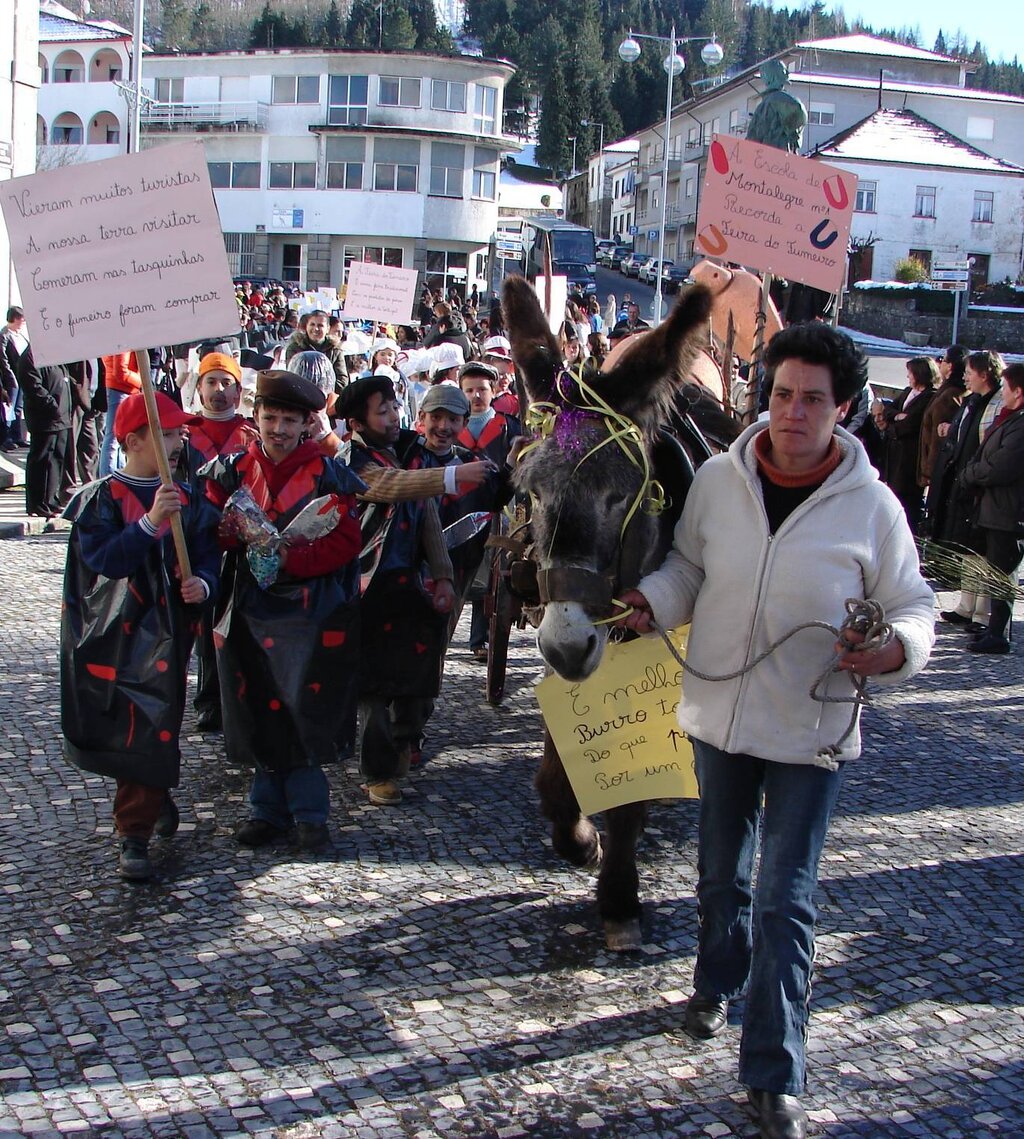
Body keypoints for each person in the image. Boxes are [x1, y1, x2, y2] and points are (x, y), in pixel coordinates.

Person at [619, 322, 935, 1139]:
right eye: (783, 393)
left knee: (784, 901)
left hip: (812, 728)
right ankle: (715, 980)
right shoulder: (721, 481)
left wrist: (893, 648)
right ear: (767, 395)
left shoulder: (873, 507)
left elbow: (914, 608)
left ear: (847, 410)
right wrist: (654, 599)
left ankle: (772, 1071)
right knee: (721, 879)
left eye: (814, 400)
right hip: (720, 718)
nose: (794, 412)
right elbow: (688, 566)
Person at [202, 371, 365, 851]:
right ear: (254, 417)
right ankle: (265, 811)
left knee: (303, 708)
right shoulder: (229, 470)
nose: (278, 428)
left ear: (306, 424)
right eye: (269, 417)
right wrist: (235, 536)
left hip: (309, 613)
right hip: (248, 610)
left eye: (289, 420)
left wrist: (290, 558)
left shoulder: (330, 472)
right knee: (260, 706)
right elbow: (207, 529)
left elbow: (346, 540)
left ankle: (311, 813)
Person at [60, 392, 220, 881]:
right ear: (132, 441)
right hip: (114, 634)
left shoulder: (191, 501)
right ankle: (149, 792)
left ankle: (134, 828)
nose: (178, 441)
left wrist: (204, 583)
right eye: (166, 433)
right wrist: (151, 523)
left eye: (179, 433)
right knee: (130, 722)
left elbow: (208, 555)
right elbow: (106, 561)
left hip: (171, 633)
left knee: (157, 716)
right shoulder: (102, 499)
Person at [335, 376, 461, 805]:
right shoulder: (350, 459)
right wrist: (448, 476)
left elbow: (427, 517)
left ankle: (406, 738)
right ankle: (377, 771)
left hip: (411, 582)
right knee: (374, 688)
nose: (392, 416)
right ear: (357, 421)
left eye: (393, 407)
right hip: (365, 587)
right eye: (382, 410)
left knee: (420, 678)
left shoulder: (409, 450)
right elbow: (387, 486)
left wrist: (443, 574)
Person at [177, 351, 259, 733]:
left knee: (241, 619)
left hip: (243, 541)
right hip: (202, 540)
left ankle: (242, 695)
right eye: (211, 382)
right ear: (199, 387)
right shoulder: (184, 436)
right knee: (207, 624)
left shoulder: (250, 434)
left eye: (227, 383)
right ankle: (210, 698)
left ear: (239, 390)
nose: (219, 390)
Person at [930, 350, 1004, 631]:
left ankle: (981, 613)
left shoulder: (994, 404)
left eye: (970, 372)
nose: (965, 376)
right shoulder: (973, 401)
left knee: (980, 549)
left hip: (980, 486)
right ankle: (966, 605)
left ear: (985, 374)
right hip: (962, 479)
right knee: (965, 546)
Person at [457, 361, 522, 663]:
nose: (475, 396)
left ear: (494, 390)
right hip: (461, 509)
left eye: (481, 389)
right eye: (468, 390)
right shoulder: (453, 426)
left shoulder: (509, 426)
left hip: (499, 509)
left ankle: (479, 639)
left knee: (493, 576)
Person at [958, 363, 1024, 654]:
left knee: (1003, 573)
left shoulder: (1021, 425)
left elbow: (1000, 467)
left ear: (1018, 392)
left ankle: (998, 634)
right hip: (996, 508)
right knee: (995, 571)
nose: (1003, 394)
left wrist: (971, 474)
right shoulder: (1010, 419)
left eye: (1007, 388)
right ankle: (994, 629)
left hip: (1009, 512)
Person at [881, 356, 937, 533]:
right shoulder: (907, 392)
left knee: (906, 498)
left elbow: (909, 425)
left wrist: (891, 424)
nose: (908, 377)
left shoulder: (929, 397)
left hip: (909, 457)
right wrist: (895, 416)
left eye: (910, 374)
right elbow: (888, 410)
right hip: (894, 454)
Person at [18, 347, 72, 519]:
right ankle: (38, 503)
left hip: (62, 417)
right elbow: (33, 386)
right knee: (42, 460)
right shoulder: (29, 356)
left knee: (56, 459)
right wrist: (52, 406)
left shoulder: (52, 352)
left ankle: (51, 500)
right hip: (45, 418)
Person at [98, 352, 142, 476]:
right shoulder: (121, 339)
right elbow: (120, 372)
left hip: (122, 389)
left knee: (118, 438)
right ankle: (109, 479)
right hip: (120, 390)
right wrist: (142, 380)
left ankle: (117, 475)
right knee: (113, 439)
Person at [284, 310, 348, 393]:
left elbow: (342, 380)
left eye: (320, 325)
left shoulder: (335, 350)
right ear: (306, 326)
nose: (316, 329)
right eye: (312, 324)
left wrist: (325, 390)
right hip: (302, 397)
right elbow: (292, 377)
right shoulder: (294, 348)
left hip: (327, 399)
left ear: (328, 328)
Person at [0, 305, 29, 450]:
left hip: (22, 376)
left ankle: (17, 435)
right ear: (15, 319)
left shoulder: (21, 336)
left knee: (18, 407)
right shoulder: (4, 335)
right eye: (22, 321)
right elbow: (3, 360)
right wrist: (10, 379)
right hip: (10, 378)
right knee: (8, 408)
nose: (23, 324)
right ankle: (6, 438)